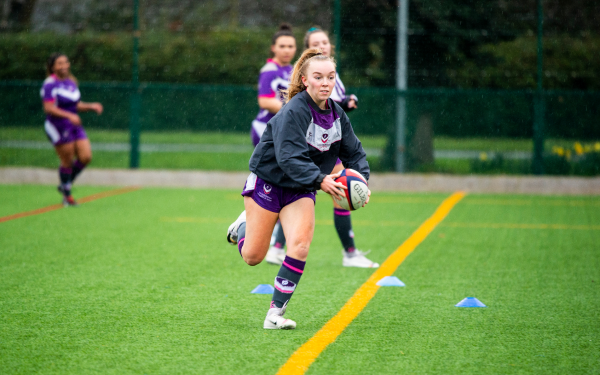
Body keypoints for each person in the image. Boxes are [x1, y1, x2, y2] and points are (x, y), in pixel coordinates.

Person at [226, 49, 371, 329]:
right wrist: (321, 180)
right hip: (269, 181)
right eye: (318, 77)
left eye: (330, 77)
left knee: (300, 246)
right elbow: (289, 158)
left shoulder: (338, 116)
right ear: (305, 81)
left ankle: (274, 315)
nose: (325, 82)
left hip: (300, 187)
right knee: (253, 257)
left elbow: (355, 153)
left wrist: (362, 181)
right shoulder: (294, 111)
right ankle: (241, 227)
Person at [266, 26, 379, 269]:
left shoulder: (331, 81)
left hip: (326, 144)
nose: (322, 47)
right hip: (304, 145)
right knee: (298, 186)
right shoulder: (298, 104)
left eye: (325, 43)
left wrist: (362, 181)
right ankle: (269, 235)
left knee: (341, 187)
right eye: (316, 44)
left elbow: (351, 143)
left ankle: (348, 252)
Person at [41, 53, 103, 206]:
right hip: (58, 125)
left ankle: (65, 183)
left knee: (86, 157)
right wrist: (69, 116)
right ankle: (67, 195)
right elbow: (48, 108)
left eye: (66, 62)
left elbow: (75, 104)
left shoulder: (71, 82)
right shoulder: (50, 84)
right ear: (53, 67)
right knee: (67, 160)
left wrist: (90, 106)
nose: (64, 65)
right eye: (59, 63)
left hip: (73, 124)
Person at [251, 23, 296, 147]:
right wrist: (293, 109)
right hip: (265, 128)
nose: (286, 50)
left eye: (290, 46)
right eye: (282, 46)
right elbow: (264, 101)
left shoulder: (293, 70)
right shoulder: (269, 70)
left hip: (283, 130)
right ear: (273, 48)